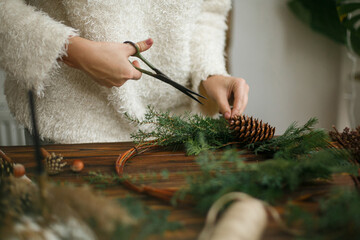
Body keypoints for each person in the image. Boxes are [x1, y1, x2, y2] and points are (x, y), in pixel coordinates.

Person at [0, 0, 249, 144]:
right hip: (73, 124)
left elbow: (208, 12)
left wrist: (211, 73)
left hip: (178, 130)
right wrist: (72, 50)